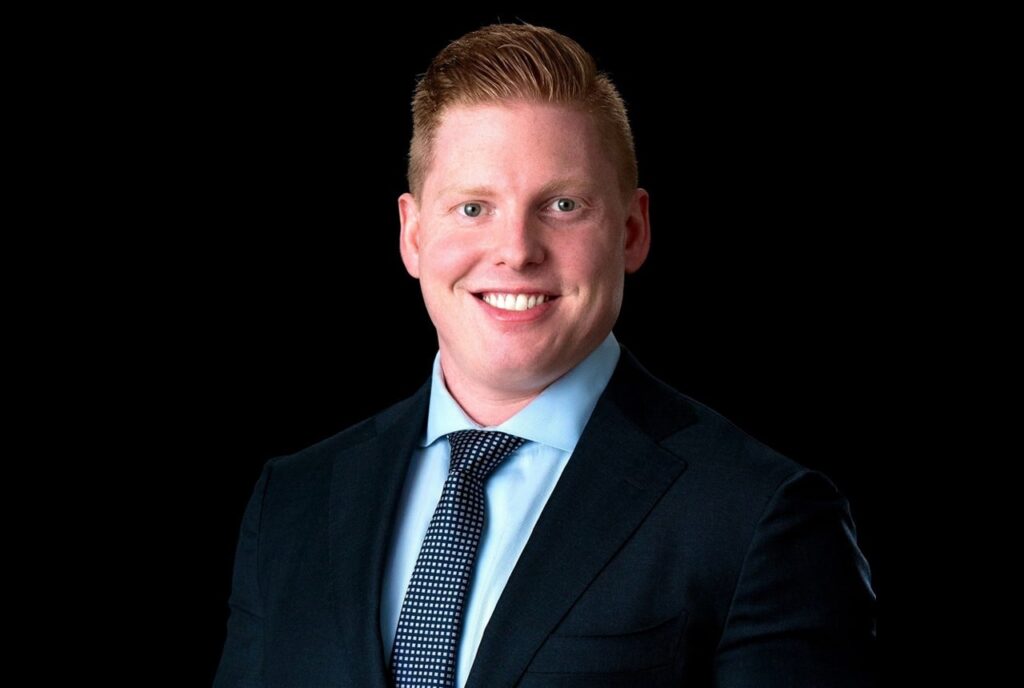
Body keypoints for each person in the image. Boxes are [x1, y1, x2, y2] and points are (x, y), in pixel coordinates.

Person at [214, 23, 877, 688]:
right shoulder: (292, 501)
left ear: (632, 230)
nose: (516, 250)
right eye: (473, 207)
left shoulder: (758, 514)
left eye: (562, 205)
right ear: (412, 235)